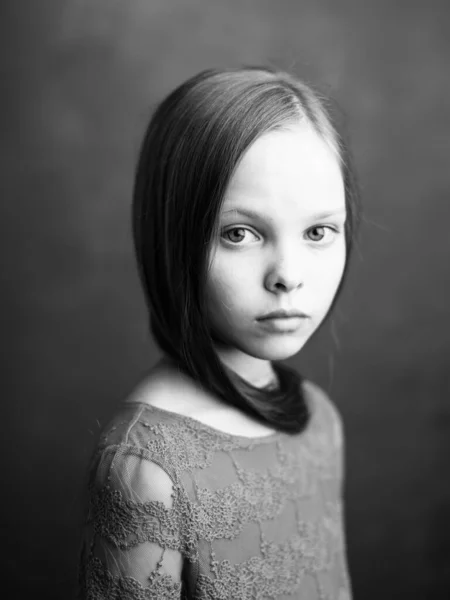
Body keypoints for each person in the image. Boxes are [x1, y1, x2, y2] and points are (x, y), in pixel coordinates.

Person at [77, 65, 360, 599]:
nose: (288, 275)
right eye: (240, 233)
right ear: (173, 238)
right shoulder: (144, 469)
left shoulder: (318, 418)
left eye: (319, 232)